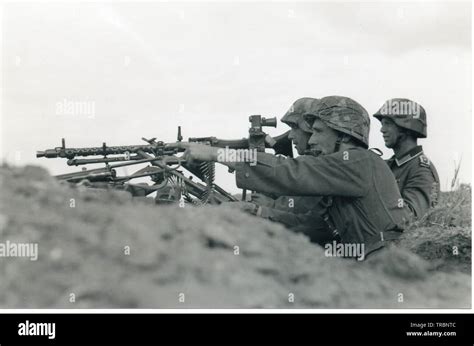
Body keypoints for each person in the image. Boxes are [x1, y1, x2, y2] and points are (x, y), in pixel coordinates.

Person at [170, 96, 409, 258]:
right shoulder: (344, 173)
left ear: (344, 135)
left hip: (385, 263)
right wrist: (257, 212)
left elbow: (292, 171)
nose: (311, 140)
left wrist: (215, 154)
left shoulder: (359, 161)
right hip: (369, 261)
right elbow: (318, 226)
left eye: (317, 132)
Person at [243, 98, 334, 244]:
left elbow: (299, 208)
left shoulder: (321, 167)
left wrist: (267, 206)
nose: (290, 136)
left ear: (310, 130)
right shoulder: (316, 163)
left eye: (294, 128)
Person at [373, 98, 440, 219]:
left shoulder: (421, 170)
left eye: (387, 124)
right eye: (382, 124)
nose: (382, 130)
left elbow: (411, 219)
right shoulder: (390, 165)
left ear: (405, 128)